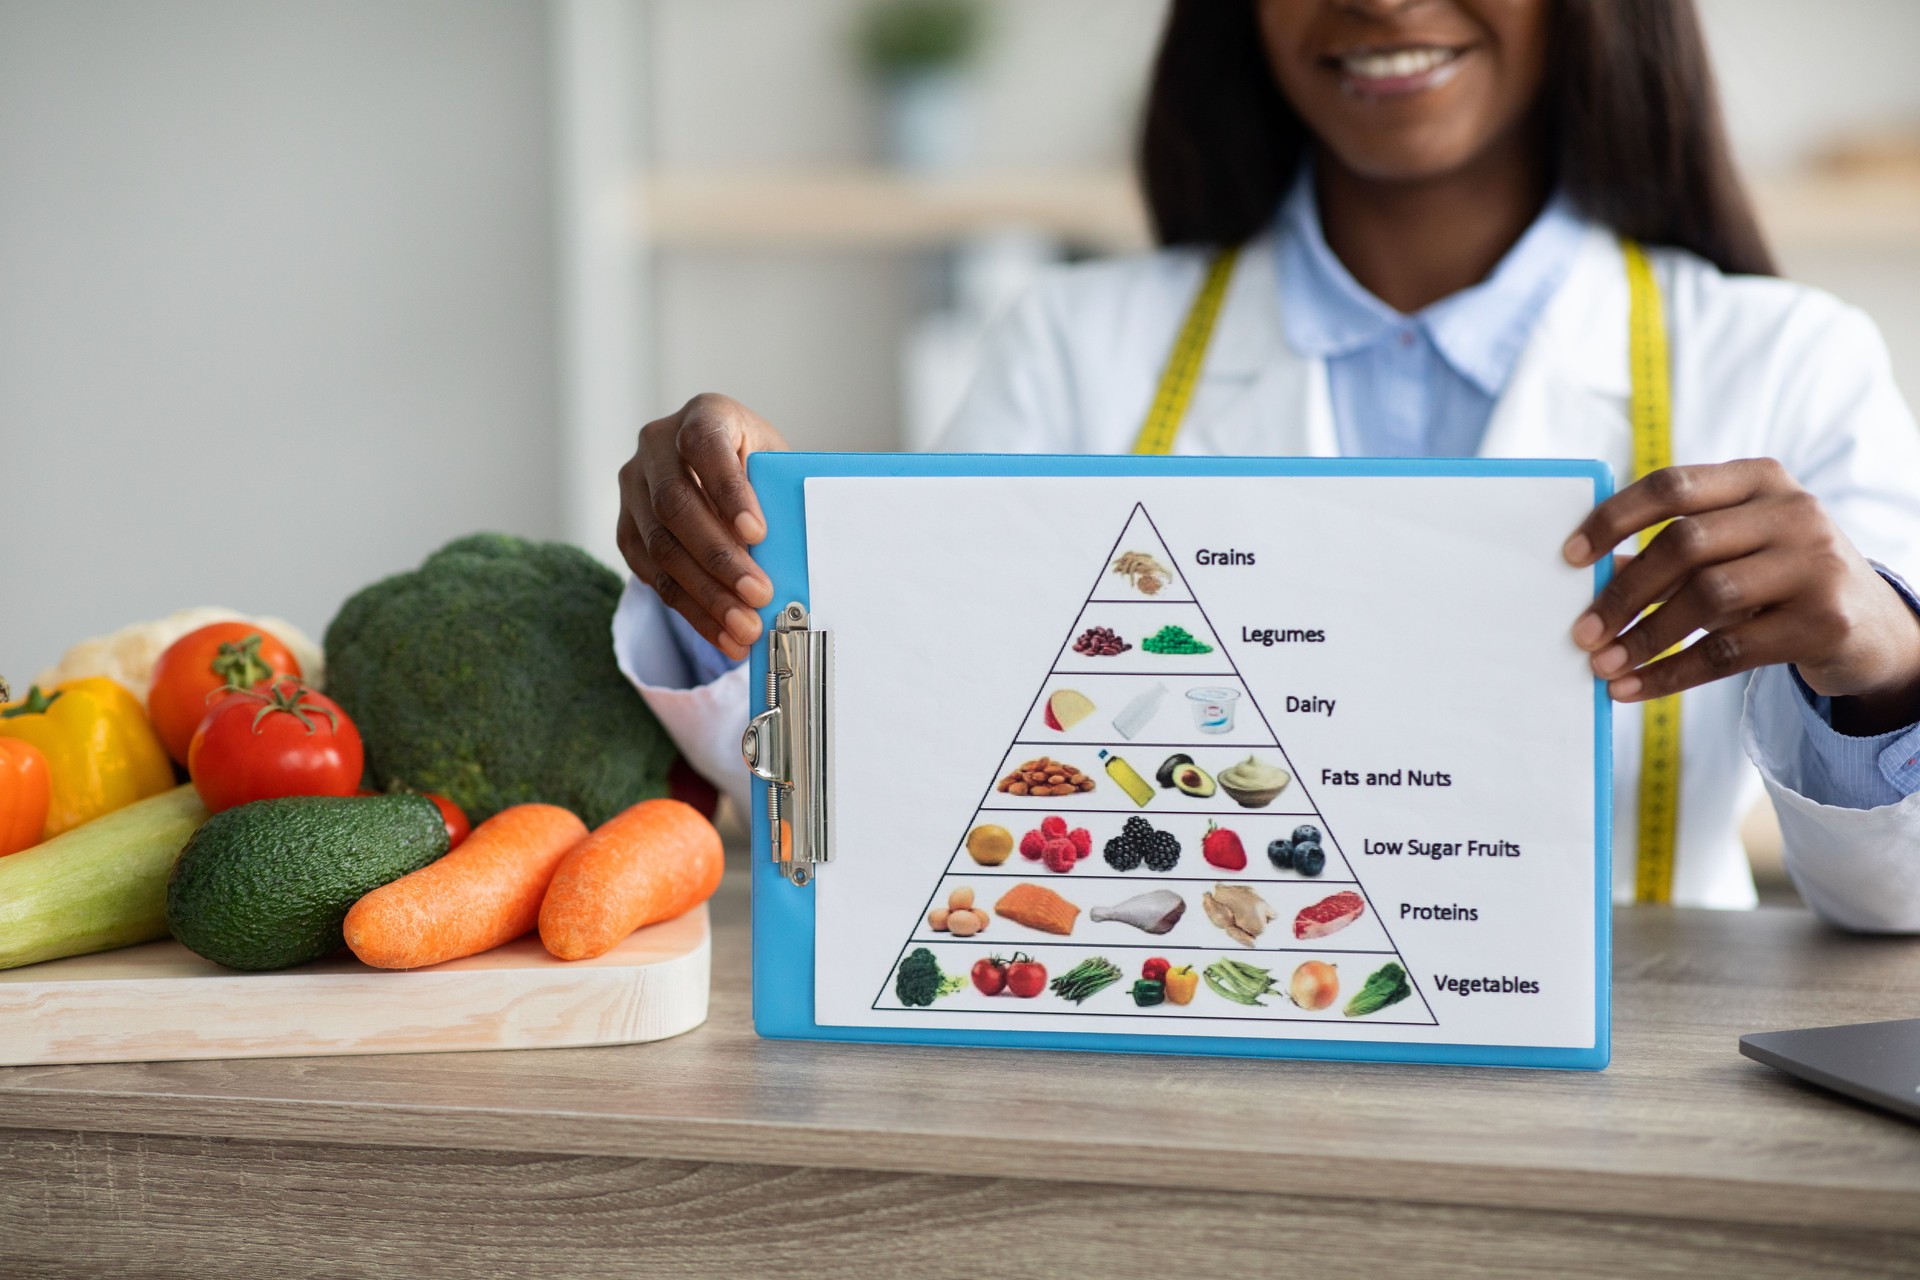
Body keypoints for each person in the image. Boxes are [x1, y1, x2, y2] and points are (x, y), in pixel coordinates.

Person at [611, 0, 1920, 930]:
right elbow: (875, 784)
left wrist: (1881, 669)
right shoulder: (1076, 346)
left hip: (1631, 1122)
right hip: (1189, 1106)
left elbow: (1899, 899)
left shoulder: (1783, 360)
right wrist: (735, 572)